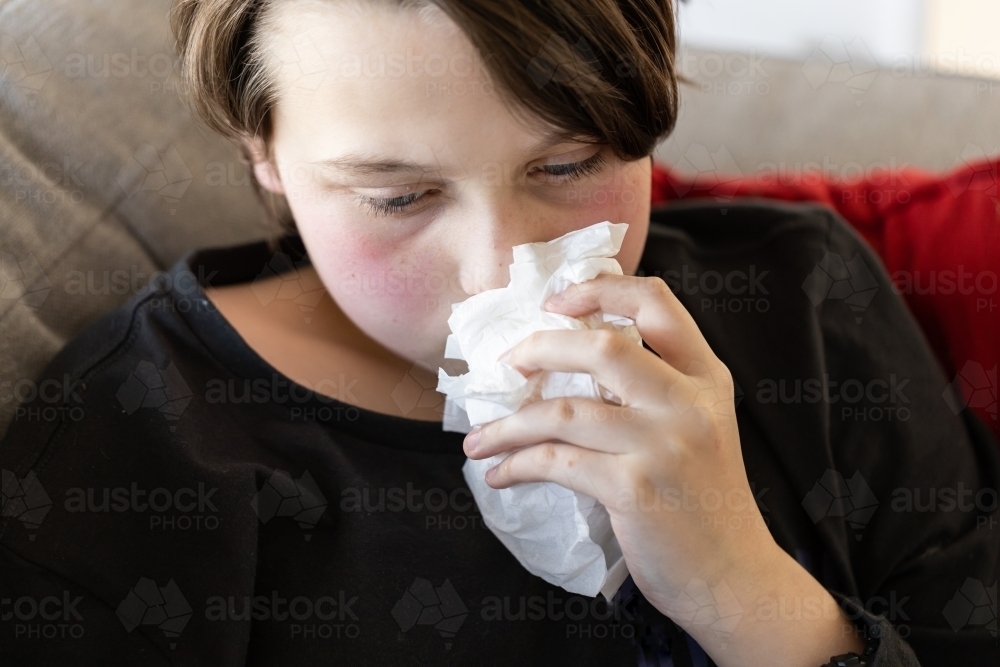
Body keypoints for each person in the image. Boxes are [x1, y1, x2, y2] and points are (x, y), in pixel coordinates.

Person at [0, 1, 996, 665]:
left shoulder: (806, 303)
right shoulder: (144, 441)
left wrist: (744, 591)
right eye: (398, 196)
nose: (495, 266)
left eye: (564, 166)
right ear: (264, 152)